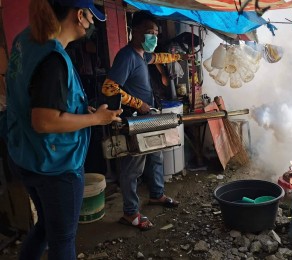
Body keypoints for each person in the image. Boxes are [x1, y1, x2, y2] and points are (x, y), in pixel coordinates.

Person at [4, 0, 123, 259]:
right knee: (63, 239)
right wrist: (97, 120)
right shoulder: (53, 58)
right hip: (55, 164)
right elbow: (44, 120)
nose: (92, 24)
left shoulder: (26, 40)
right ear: (79, 15)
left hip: (24, 153)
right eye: (92, 17)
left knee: (46, 226)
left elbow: (35, 98)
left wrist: (81, 113)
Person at [101, 11, 191, 230]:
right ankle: (130, 213)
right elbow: (108, 88)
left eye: (156, 33)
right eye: (149, 32)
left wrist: (179, 57)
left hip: (147, 117)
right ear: (135, 31)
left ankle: (156, 194)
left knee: (156, 156)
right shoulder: (127, 56)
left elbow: (158, 57)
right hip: (134, 120)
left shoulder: (142, 55)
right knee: (132, 168)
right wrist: (135, 102)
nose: (154, 37)